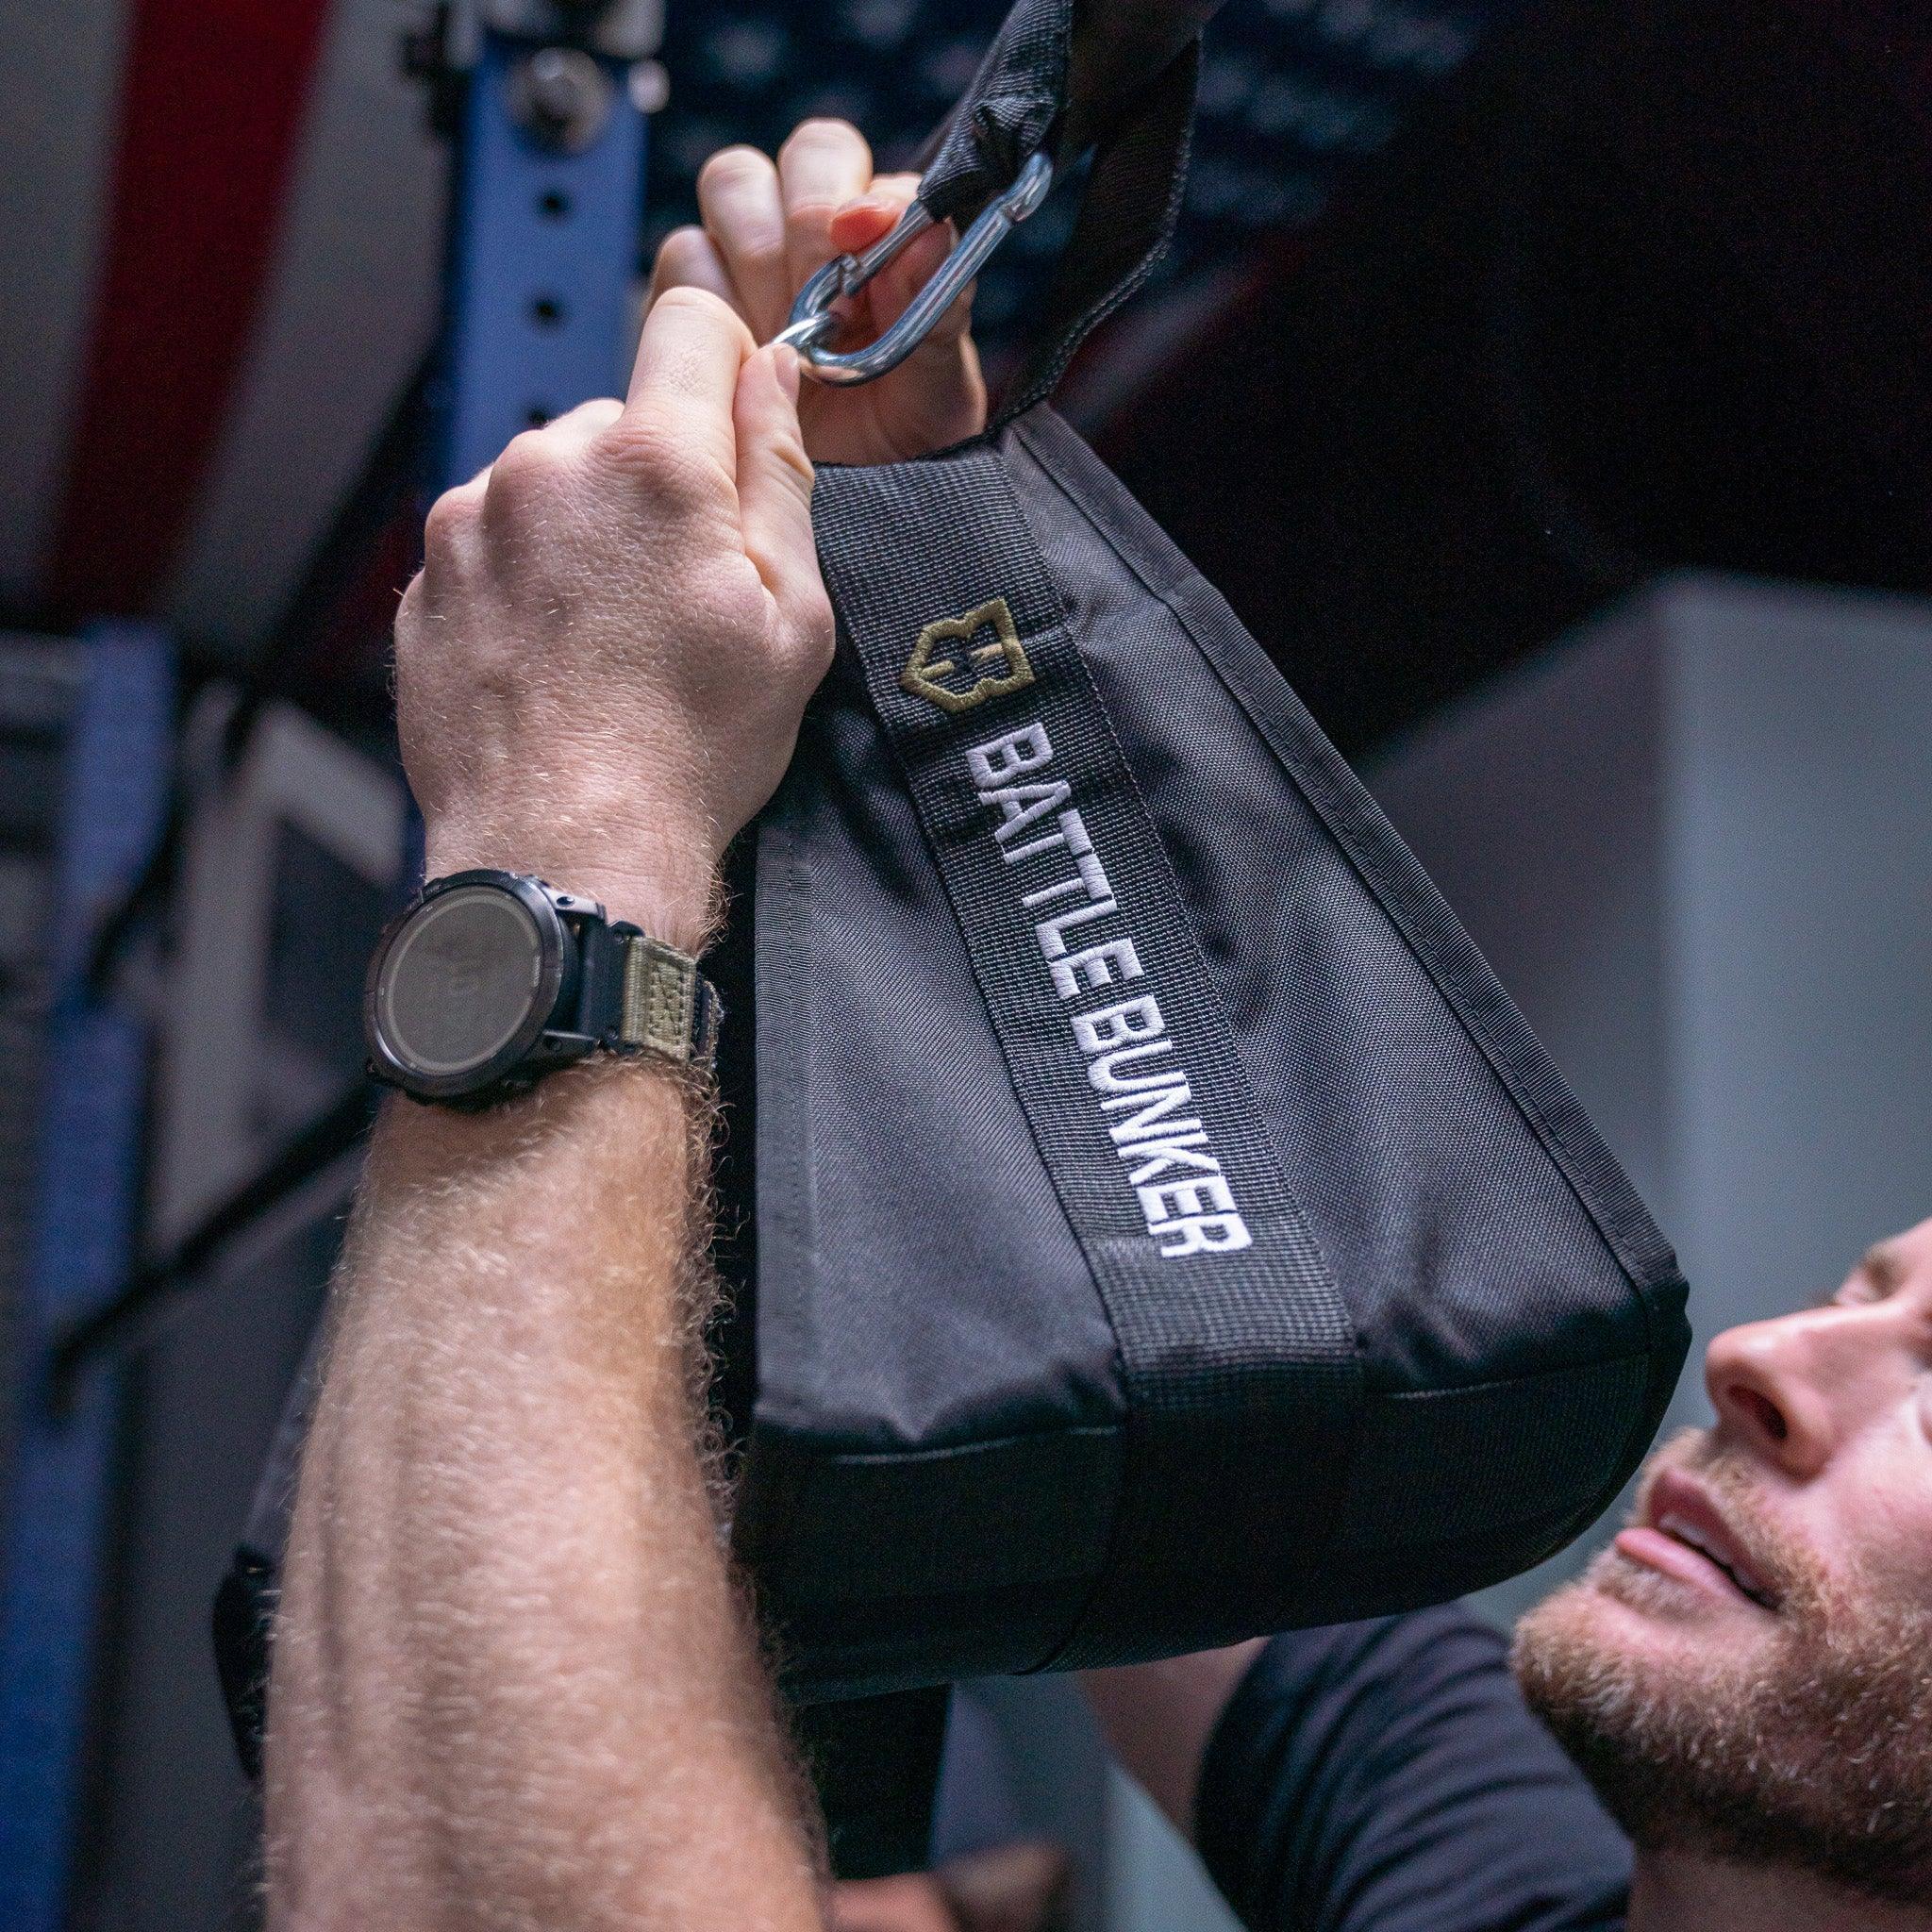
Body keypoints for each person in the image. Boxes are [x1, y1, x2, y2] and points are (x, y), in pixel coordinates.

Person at [263, 118, 1932, 1932]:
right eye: (1860, 1294)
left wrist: (563, 839)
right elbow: (1153, 1423)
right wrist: (915, 614)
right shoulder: (1490, 1878)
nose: (1767, 1358)